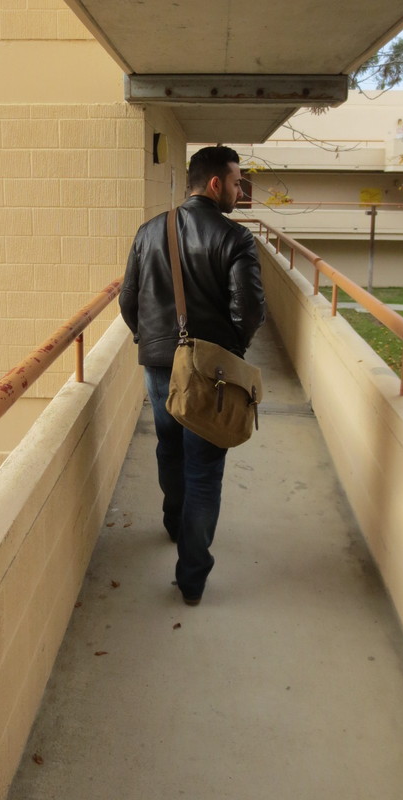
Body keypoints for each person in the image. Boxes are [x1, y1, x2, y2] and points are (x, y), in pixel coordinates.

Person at [119, 146, 266, 606]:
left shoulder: (148, 232)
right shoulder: (235, 239)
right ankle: (192, 578)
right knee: (204, 469)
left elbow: (128, 301)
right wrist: (227, 353)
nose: (241, 191)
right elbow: (251, 311)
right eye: (238, 181)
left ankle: (172, 519)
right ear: (216, 184)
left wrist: (157, 346)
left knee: (169, 447)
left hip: (160, 368)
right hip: (212, 375)